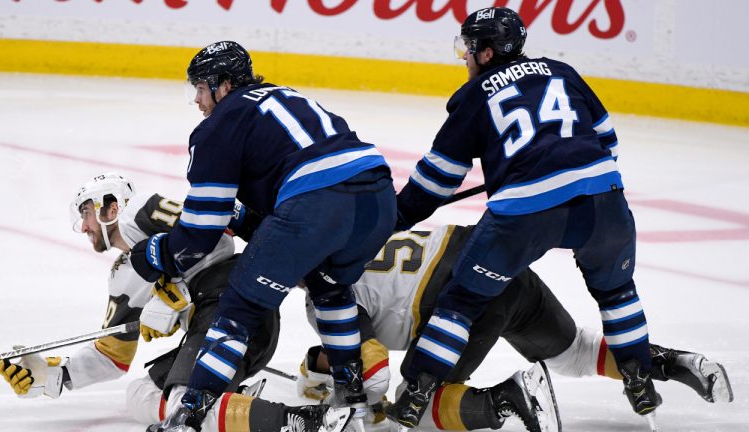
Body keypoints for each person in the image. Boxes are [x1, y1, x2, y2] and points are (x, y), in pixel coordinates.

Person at [387, 7, 661, 427]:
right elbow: (607, 140)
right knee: (617, 292)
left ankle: (417, 391)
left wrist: (398, 216)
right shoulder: (563, 71)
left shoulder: (474, 97)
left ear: (487, 52)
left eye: (469, 48)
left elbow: (438, 179)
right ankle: (640, 380)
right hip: (603, 203)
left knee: (462, 301)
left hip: (524, 214)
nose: (464, 56)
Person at [129, 41, 397, 431]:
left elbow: (198, 236)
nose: (198, 102)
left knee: (239, 308)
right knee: (330, 287)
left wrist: (154, 253)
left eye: (200, 90)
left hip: (315, 203)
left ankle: (189, 417)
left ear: (222, 86)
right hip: (378, 195)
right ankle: (353, 401)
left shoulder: (218, 125)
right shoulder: (289, 96)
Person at [0, 173, 355, 432]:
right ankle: (237, 408)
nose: (84, 227)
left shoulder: (141, 211)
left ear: (108, 207)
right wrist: (57, 374)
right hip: (209, 325)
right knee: (141, 394)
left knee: (188, 402)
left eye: (85, 214)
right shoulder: (123, 275)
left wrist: (173, 291)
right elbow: (112, 355)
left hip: (233, 304)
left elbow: (213, 233)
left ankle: (307, 423)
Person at [299, 225, 733, 430]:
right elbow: (352, 353)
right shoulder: (355, 237)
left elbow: (371, 376)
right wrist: (318, 370)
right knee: (576, 353)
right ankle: (676, 363)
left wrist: (350, 404)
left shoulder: (324, 297)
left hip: (459, 297)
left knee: (413, 409)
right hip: (496, 260)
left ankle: (505, 399)